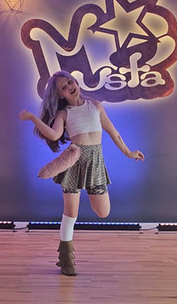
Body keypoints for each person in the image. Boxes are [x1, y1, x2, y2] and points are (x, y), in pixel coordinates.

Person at [19, 71, 145, 275]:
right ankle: (66, 260)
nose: (69, 87)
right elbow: (54, 134)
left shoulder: (95, 105)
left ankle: (67, 256)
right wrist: (33, 118)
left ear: (75, 81)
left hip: (95, 162)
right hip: (74, 161)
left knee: (103, 212)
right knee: (71, 214)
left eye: (70, 82)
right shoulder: (64, 113)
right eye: (63, 87)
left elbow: (113, 132)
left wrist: (128, 152)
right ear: (60, 94)